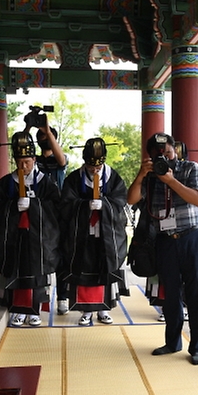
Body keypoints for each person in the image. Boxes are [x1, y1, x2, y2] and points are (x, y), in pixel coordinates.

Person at [127, 132, 198, 365]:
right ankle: (172, 342)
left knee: (195, 293)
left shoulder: (190, 168)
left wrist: (170, 180)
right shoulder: (150, 177)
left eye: (169, 153)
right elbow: (131, 200)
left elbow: (197, 199)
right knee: (170, 294)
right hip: (164, 239)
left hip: (191, 236)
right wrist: (142, 175)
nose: (166, 158)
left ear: (176, 151)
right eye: (160, 155)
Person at [0, 131, 61, 327]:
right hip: (14, 236)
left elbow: (57, 208)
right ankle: (17, 310)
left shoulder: (46, 182)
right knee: (15, 272)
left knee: (37, 274)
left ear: (34, 159)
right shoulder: (6, 183)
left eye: (26, 161)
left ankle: (34, 310)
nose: (23, 166)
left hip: (38, 238)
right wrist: (11, 208)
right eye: (19, 162)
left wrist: (34, 207)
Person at [59, 137, 129, 325]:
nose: (95, 171)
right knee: (84, 270)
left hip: (106, 234)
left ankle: (104, 309)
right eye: (91, 168)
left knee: (105, 269)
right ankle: (86, 310)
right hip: (83, 234)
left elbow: (121, 200)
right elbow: (65, 205)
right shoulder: (74, 179)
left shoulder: (113, 177)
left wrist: (104, 205)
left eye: (98, 167)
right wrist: (85, 206)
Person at [33, 124, 70, 313]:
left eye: (49, 136)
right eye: (42, 136)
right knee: (41, 256)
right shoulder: (34, 160)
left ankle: (63, 296)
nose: (45, 139)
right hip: (39, 214)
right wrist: (28, 127)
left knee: (61, 256)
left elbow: (62, 160)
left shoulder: (59, 159)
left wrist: (48, 132)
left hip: (59, 214)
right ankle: (42, 297)